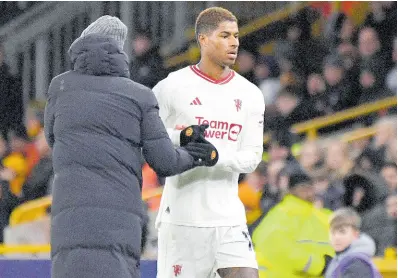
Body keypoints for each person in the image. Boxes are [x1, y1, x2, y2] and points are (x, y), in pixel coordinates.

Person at [44, 15, 217, 278]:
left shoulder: (61, 86)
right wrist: (193, 154)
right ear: (119, 49)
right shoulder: (138, 95)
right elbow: (165, 161)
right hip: (119, 224)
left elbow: (52, 140)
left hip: (69, 223)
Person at [153, 7, 265, 278]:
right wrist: (182, 137)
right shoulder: (172, 86)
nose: (235, 42)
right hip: (182, 220)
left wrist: (216, 157)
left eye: (236, 36)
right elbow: (147, 134)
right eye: (225, 35)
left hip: (229, 220)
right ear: (203, 39)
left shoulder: (250, 94)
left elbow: (252, 156)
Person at [252, 170, 334, 278]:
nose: (308, 192)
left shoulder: (321, 216)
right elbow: (279, 247)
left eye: (310, 188)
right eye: (303, 189)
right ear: (291, 191)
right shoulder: (283, 214)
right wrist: (319, 265)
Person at [325, 207, 381, 278]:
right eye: (333, 232)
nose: (336, 237)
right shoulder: (339, 259)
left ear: (355, 234)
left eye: (342, 232)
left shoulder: (357, 263)